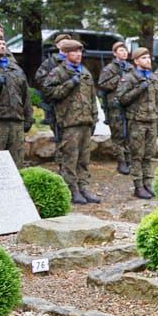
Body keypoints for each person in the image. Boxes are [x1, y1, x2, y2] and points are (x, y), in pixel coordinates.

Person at [43, 40, 100, 204]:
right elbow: (49, 93)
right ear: (66, 53)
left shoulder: (85, 72)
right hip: (69, 122)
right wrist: (70, 83)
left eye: (80, 52)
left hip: (85, 121)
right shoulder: (58, 72)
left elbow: (92, 97)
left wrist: (94, 117)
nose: (78, 55)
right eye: (74, 52)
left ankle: (84, 187)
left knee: (84, 159)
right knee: (70, 159)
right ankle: (72, 188)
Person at [0, 30, 33, 167]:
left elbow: (25, 95)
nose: (2, 46)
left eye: (3, 43)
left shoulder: (15, 69)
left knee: (17, 164)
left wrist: (28, 118)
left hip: (16, 122)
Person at [116, 47, 158, 199]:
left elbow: (157, 101)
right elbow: (122, 98)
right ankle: (138, 185)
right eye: (144, 58)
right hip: (137, 122)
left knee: (148, 155)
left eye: (148, 57)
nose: (148, 60)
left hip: (151, 120)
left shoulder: (153, 77)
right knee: (137, 155)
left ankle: (148, 183)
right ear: (136, 61)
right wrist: (140, 88)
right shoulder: (129, 78)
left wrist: (157, 121)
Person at [98, 41, 133, 175]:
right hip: (115, 105)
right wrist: (118, 79)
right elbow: (102, 84)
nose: (124, 53)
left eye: (125, 50)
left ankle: (129, 160)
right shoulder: (110, 68)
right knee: (118, 134)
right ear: (115, 53)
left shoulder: (130, 68)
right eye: (121, 50)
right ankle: (121, 161)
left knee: (129, 134)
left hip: (129, 104)